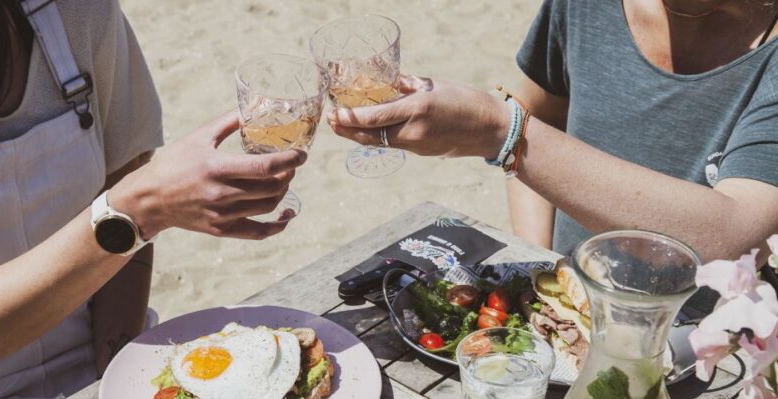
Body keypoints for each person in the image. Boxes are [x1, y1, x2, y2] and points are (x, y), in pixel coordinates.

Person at [0, 0, 304, 399]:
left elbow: (124, 167)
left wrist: (113, 374)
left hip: (99, 358)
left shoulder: (77, 12)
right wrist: (135, 211)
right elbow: (131, 198)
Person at [328, 0, 778, 271]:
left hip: (708, 354)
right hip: (570, 303)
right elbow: (542, 116)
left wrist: (498, 129)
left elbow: (729, 234)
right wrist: (542, 265)